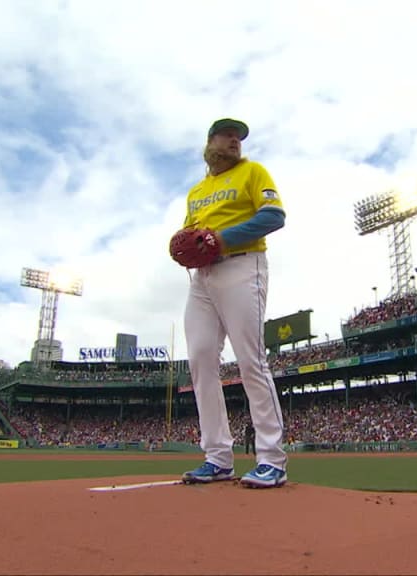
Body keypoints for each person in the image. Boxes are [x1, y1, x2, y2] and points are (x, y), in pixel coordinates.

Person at [178, 118, 288, 489]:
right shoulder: (197, 192)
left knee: (250, 360)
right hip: (203, 279)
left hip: (242, 265)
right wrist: (184, 244)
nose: (234, 142)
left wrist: (219, 239)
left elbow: (274, 216)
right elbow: (191, 235)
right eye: (227, 136)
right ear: (210, 142)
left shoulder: (253, 172)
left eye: (238, 138)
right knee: (201, 359)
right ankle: (217, 457)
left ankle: (272, 459)